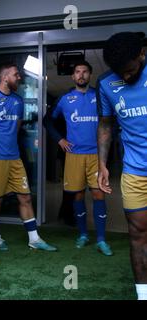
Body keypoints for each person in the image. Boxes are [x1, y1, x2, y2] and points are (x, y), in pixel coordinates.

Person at [0, 62, 57, 252]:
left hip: (14, 157)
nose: (19, 77)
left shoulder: (19, 101)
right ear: (4, 77)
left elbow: (17, 126)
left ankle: (34, 239)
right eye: (15, 74)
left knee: (25, 197)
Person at [43, 61, 113, 256]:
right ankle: (82, 234)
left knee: (99, 194)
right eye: (77, 72)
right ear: (73, 77)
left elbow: (108, 123)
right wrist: (60, 140)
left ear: (90, 75)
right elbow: (47, 120)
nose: (81, 75)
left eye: (85, 72)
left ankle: (101, 239)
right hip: (74, 155)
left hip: (96, 155)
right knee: (78, 195)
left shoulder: (99, 96)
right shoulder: (65, 99)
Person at [97, 31, 147, 300]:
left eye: (129, 71)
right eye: (120, 73)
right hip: (135, 170)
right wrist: (102, 164)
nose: (125, 77)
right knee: (138, 233)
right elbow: (105, 124)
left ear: (142, 54)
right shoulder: (105, 83)